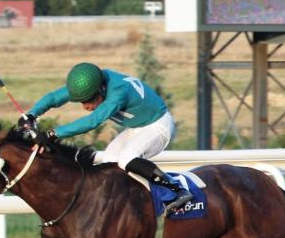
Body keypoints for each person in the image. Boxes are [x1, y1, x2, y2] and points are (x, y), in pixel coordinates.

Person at [20, 62, 193, 214]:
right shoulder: (91, 83)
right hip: (136, 128)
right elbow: (53, 98)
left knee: (126, 158)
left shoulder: (118, 92)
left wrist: (51, 134)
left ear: (101, 89)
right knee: (110, 160)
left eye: (89, 100)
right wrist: (31, 115)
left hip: (159, 126)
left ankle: (177, 190)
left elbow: (93, 121)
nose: (85, 106)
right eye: (82, 102)